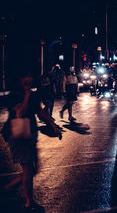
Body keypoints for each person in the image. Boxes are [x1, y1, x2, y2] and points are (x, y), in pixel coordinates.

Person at [1, 69, 61, 211]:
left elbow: (40, 112)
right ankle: (29, 202)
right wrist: (27, 94)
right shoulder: (14, 95)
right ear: (19, 80)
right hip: (17, 134)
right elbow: (20, 112)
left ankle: (9, 186)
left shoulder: (33, 95)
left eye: (30, 76)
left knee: (33, 169)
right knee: (28, 168)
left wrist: (54, 126)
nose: (29, 79)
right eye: (25, 77)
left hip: (30, 134)